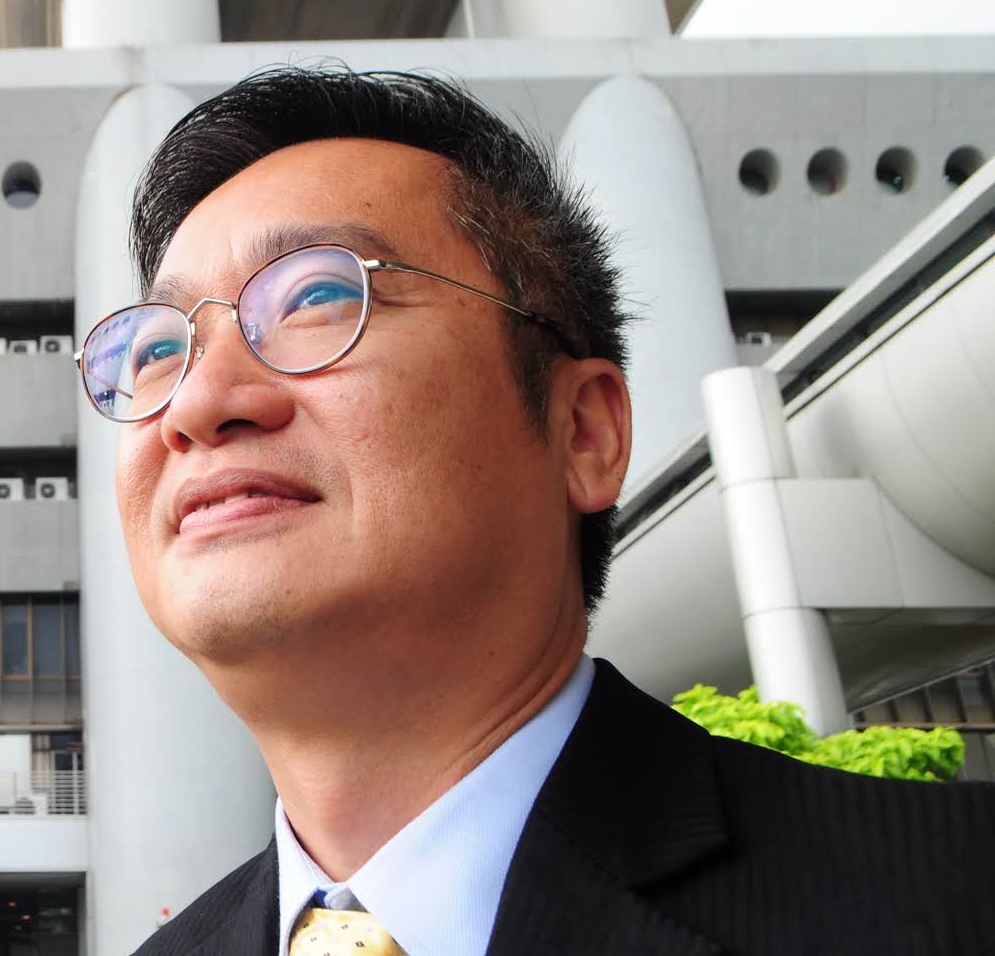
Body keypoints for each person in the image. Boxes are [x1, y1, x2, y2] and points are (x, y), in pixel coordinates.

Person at [78, 66, 995, 956]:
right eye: (155, 350)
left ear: (583, 431)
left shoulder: (952, 898)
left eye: (317, 297)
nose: (198, 403)